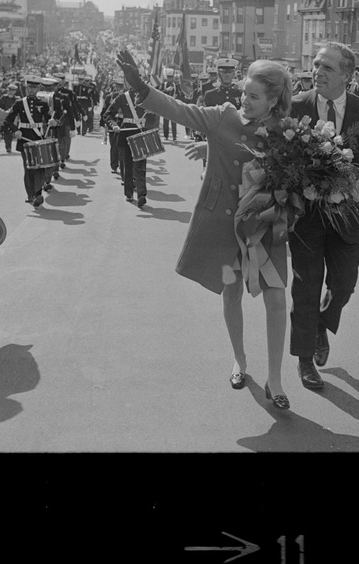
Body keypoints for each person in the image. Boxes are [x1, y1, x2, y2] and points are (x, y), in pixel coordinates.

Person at [117, 49, 294, 409]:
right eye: (244, 92)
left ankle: (275, 379)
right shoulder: (224, 116)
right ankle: (240, 360)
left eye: (254, 96)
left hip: (266, 229)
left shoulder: (288, 133)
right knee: (231, 292)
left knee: (276, 300)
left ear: (274, 101)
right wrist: (142, 87)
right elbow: (180, 110)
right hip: (226, 230)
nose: (244, 100)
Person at [287, 42, 359, 390]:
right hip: (306, 215)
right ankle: (305, 360)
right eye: (316, 65)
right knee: (306, 285)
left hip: (348, 214)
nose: (318, 72)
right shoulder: (296, 106)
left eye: (327, 67)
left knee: (343, 285)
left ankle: (321, 323)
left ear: (347, 74)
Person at [100, 72, 159, 207]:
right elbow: (108, 114)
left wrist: (151, 115)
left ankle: (141, 195)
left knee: (140, 166)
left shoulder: (147, 96)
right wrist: (114, 125)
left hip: (141, 133)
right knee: (127, 165)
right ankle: (129, 193)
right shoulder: (123, 97)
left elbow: (153, 119)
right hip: (126, 133)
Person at [1, 75, 60, 208]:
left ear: (38, 88)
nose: (31, 89)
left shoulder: (42, 103)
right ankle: (31, 195)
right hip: (24, 139)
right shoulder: (19, 103)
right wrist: (15, 130)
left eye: (34, 87)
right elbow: (7, 120)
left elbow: (50, 119)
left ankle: (38, 194)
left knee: (39, 169)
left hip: (39, 139)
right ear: (26, 87)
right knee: (28, 168)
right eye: (29, 87)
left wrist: (53, 121)